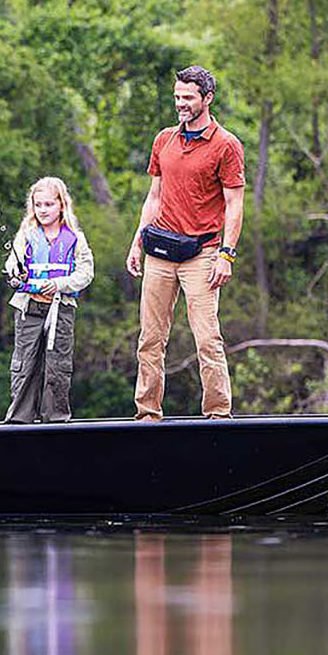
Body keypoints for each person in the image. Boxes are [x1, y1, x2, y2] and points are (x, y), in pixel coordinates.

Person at [125, 65, 245, 420]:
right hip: (160, 250)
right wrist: (137, 242)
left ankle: (218, 414)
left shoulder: (226, 144)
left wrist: (227, 254)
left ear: (207, 99)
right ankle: (147, 413)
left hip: (202, 253)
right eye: (177, 97)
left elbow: (235, 204)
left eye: (188, 97)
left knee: (208, 339)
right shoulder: (164, 140)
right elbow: (154, 197)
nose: (181, 103)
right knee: (150, 337)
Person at [4, 176, 94, 423]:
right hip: (28, 308)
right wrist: (15, 274)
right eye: (38, 205)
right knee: (25, 365)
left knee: (58, 366)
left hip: (60, 309)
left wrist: (59, 284)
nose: (43, 210)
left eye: (48, 205)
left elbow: (86, 272)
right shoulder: (26, 235)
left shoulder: (75, 238)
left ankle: (55, 419)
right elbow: (12, 264)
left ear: (61, 205)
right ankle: (19, 419)